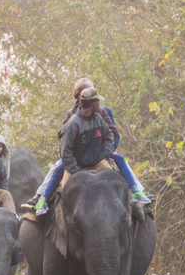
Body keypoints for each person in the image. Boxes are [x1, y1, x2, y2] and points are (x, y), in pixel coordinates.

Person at [24, 83, 149, 216]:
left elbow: (109, 137)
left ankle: (135, 199)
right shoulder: (73, 124)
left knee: (116, 183)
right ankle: (42, 201)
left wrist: (103, 155)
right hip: (76, 166)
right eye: (98, 101)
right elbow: (65, 152)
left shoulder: (98, 118)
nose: (100, 103)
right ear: (93, 103)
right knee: (65, 193)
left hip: (97, 162)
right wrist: (76, 171)